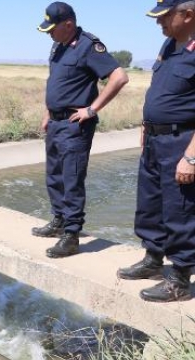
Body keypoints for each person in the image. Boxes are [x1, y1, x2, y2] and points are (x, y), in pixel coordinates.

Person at [33, 2, 129, 258]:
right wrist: (47, 112)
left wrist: (92, 109)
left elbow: (119, 77)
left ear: (68, 24)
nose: (49, 34)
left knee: (71, 179)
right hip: (55, 122)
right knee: (54, 176)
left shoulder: (88, 45)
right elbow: (56, 83)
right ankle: (59, 221)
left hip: (75, 125)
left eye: (52, 29)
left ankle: (72, 235)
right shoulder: (58, 46)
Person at [117, 0, 195, 303]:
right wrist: (146, 123)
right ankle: (152, 260)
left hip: (182, 141)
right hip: (154, 139)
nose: (158, 22)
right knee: (149, 203)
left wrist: (191, 156)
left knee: (181, 210)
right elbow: (161, 90)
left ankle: (179, 279)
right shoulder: (170, 44)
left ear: (187, 14)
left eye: (164, 16)